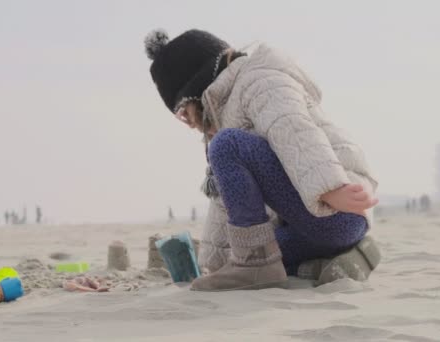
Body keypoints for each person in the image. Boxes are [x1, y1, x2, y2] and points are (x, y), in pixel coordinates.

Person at [144, 29, 381, 291]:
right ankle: (337, 262)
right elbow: (227, 205)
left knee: (227, 145)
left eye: (183, 112)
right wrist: (212, 266)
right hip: (313, 227)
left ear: (196, 91)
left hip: (334, 210)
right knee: (262, 253)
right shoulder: (226, 119)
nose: (189, 124)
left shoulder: (260, 81)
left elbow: (293, 130)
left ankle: (255, 265)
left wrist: (330, 188)